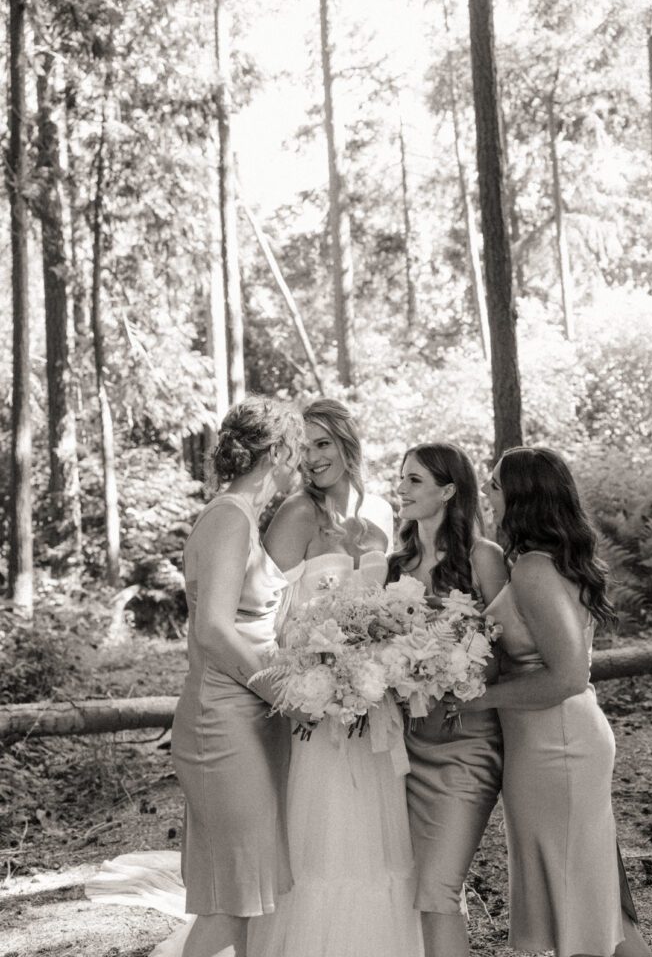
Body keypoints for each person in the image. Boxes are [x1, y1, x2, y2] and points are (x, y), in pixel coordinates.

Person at [448, 445, 651, 957]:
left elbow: (566, 677)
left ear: (519, 495)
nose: (488, 492)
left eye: (494, 483)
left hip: (558, 743)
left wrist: (476, 700)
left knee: (576, 901)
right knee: (590, 897)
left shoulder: (535, 569)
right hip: (543, 741)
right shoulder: (537, 562)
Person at [247, 398, 423, 957]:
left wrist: (385, 658)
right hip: (315, 703)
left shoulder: (381, 509)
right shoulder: (298, 512)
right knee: (325, 839)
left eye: (323, 443)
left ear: (348, 443)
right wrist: (311, 664)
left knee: (378, 840)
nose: (314, 457)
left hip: (374, 701)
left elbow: (392, 604)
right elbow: (259, 612)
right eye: (305, 445)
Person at [168, 395, 306, 957]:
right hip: (222, 725)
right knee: (234, 905)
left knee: (253, 895)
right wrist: (280, 690)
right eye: (295, 452)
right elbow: (213, 630)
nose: (299, 466)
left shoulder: (246, 517)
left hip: (250, 718)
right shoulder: (227, 516)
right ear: (276, 451)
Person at [386, 443, 508, 957]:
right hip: (406, 749)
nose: (402, 489)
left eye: (415, 480)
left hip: (466, 746)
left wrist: (450, 660)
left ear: (448, 491)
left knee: (437, 888)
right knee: (423, 892)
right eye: (402, 478)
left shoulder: (485, 558)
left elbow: (509, 651)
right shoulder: (395, 565)